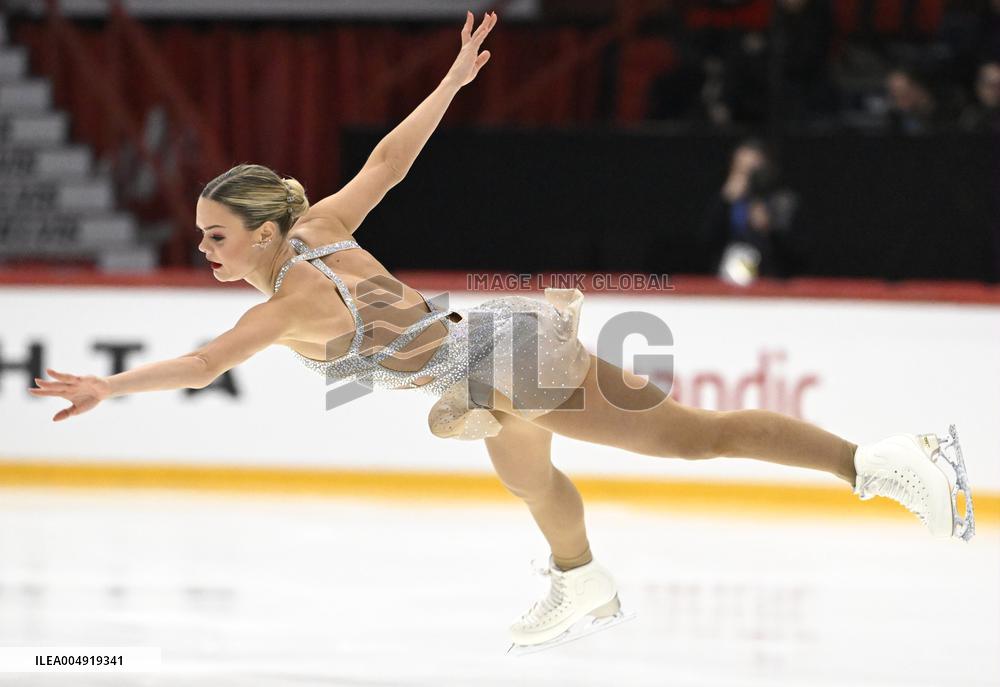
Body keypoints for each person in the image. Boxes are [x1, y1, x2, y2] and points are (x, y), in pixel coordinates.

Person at [29, 11, 975, 656]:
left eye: (218, 237)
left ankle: (888, 461)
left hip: (496, 358)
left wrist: (111, 387)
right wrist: (448, 80)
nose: (205, 251)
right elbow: (388, 163)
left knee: (680, 436)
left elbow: (201, 362)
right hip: (484, 350)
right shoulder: (321, 230)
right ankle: (582, 582)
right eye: (202, 238)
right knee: (531, 474)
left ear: (269, 231)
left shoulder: (284, 303)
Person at [702, 138, 800, 283]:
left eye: (751, 171)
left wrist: (769, 228)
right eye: (739, 169)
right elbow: (706, 241)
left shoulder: (782, 200)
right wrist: (724, 203)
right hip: (725, 279)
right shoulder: (725, 200)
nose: (745, 177)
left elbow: (795, 253)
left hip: (768, 281)